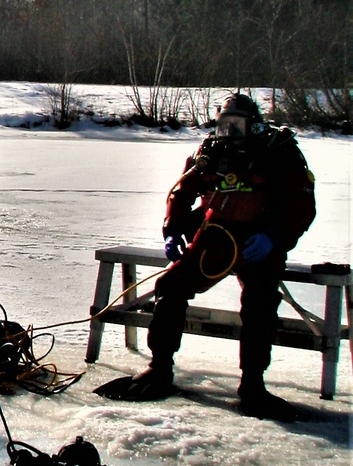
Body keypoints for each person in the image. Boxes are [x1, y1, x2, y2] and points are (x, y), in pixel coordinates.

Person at [108, 92, 316, 421]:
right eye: (223, 124)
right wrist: (172, 227)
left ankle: (252, 385)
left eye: (237, 125)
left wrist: (274, 237)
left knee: (261, 301)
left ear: (255, 125)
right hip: (217, 235)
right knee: (171, 285)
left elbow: (303, 205)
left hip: (259, 240)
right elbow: (182, 190)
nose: (229, 133)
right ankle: (159, 368)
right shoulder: (211, 150)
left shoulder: (278, 151)